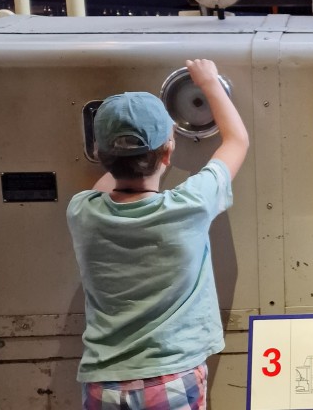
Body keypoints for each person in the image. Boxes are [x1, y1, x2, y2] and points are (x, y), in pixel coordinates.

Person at [67, 59, 249, 410]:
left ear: (99, 153)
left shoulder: (82, 212)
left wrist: (127, 139)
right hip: (171, 377)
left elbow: (107, 184)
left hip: (103, 381)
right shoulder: (190, 204)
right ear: (169, 150)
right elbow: (237, 140)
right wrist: (209, 83)